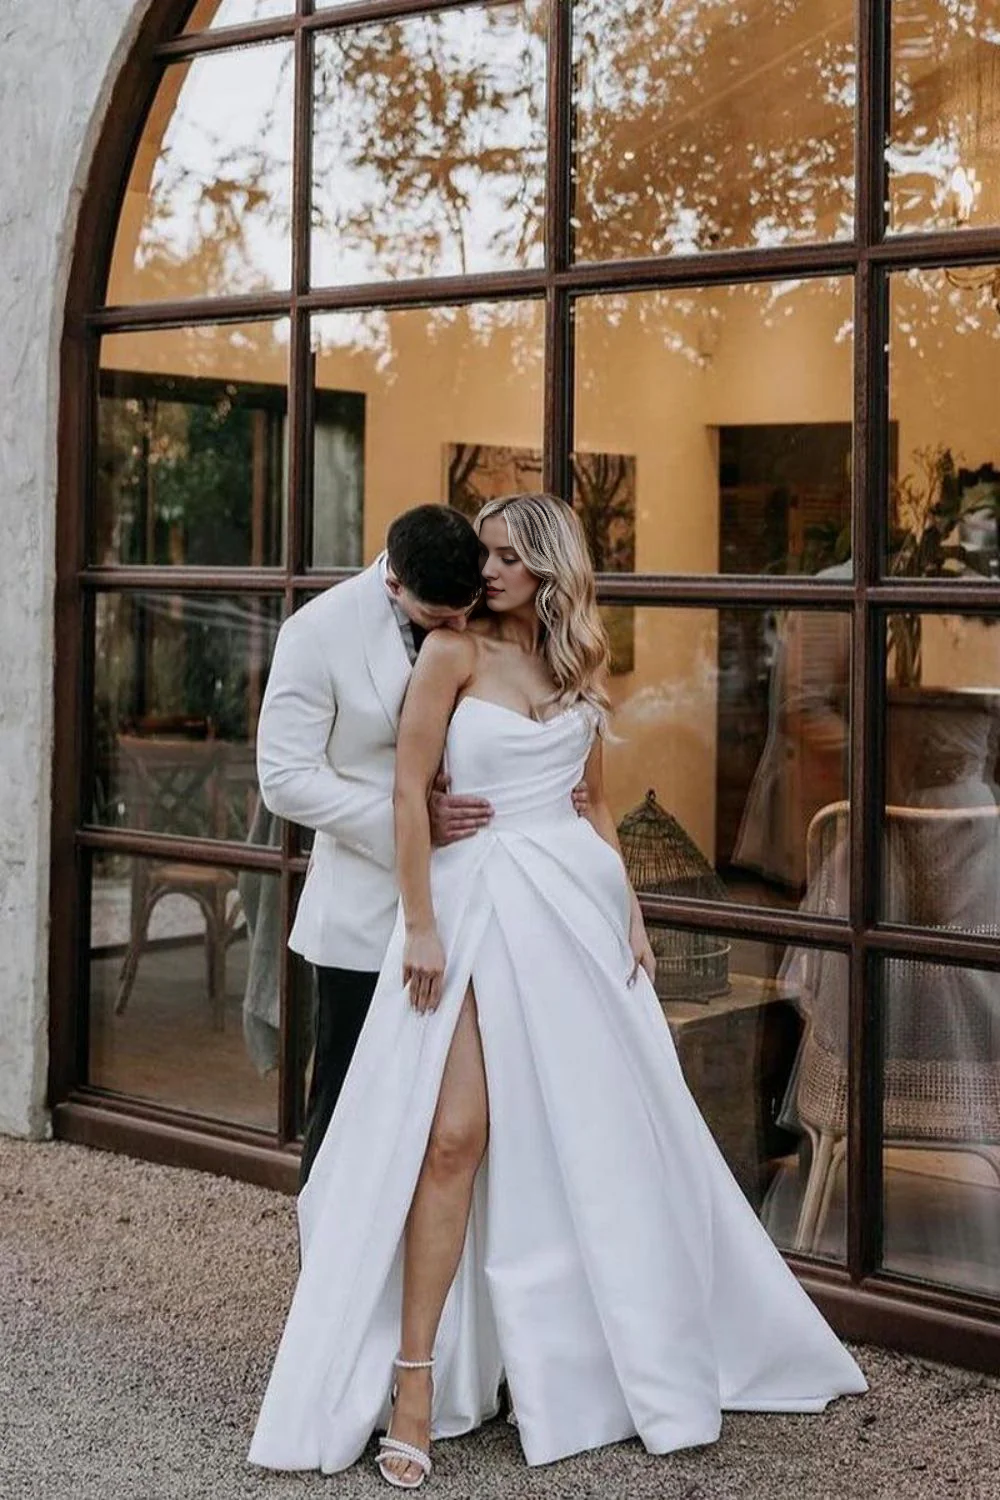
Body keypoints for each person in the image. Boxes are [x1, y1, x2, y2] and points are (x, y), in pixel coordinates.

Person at [249, 493, 867, 1486]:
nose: (483, 573)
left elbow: (599, 801)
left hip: (568, 915)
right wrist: (418, 922)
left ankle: (586, 1356)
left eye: (503, 555)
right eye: (480, 554)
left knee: (585, 1136)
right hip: (470, 906)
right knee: (453, 1137)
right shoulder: (450, 656)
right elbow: (409, 792)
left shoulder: (578, 662)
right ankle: (414, 1385)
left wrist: (625, 906)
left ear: (545, 566)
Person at [256, 504, 492, 1187]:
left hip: (473, 899)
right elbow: (285, 780)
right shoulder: (316, 633)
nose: (454, 629)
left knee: (451, 1119)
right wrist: (409, 821)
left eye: (463, 612)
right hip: (365, 909)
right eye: (436, 617)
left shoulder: (478, 615)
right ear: (394, 584)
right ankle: (327, 1282)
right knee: (347, 1103)